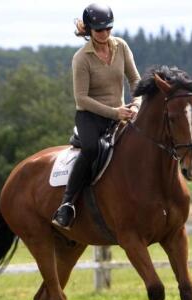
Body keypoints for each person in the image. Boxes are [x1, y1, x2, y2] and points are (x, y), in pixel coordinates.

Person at [52, 3, 142, 229]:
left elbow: (136, 81)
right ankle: (67, 204)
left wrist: (138, 103)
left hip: (121, 114)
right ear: (89, 30)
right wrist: (115, 112)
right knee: (92, 150)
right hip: (90, 117)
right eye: (99, 29)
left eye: (108, 28)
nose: (104, 33)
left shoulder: (121, 46)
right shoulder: (81, 58)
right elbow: (81, 99)